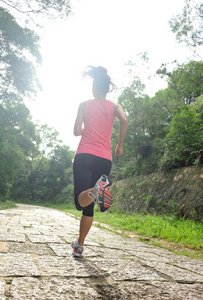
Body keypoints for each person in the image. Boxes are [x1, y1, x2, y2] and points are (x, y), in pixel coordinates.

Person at [71, 66, 128, 257]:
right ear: (107, 89)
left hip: (84, 155)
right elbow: (124, 120)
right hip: (104, 159)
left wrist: (84, 131)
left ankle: (97, 190)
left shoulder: (84, 105)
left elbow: (76, 130)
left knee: (81, 203)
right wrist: (119, 145)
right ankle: (79, 246)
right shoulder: (114, 107)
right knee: (88, 206)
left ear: (94, 88)